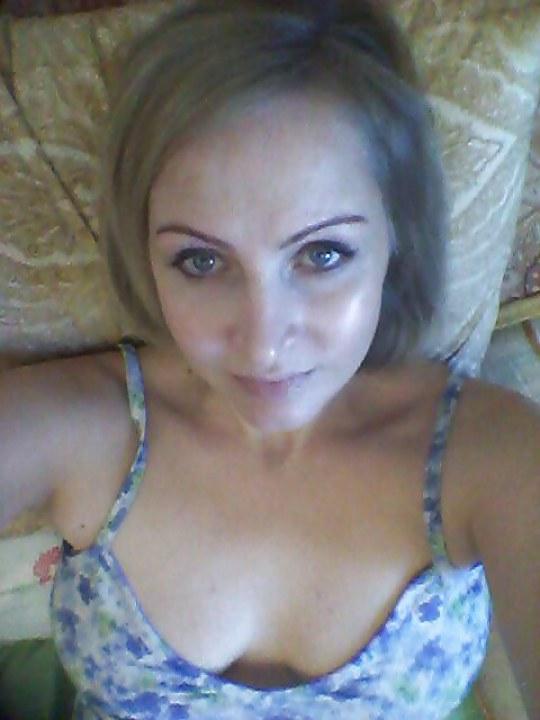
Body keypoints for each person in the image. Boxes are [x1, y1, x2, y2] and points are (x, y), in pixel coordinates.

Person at [0, 1, 538, 718]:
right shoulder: (83, 425)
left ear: (396, 238)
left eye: (323, 255)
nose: (261, 344)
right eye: (201, 261)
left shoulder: (494, 457)